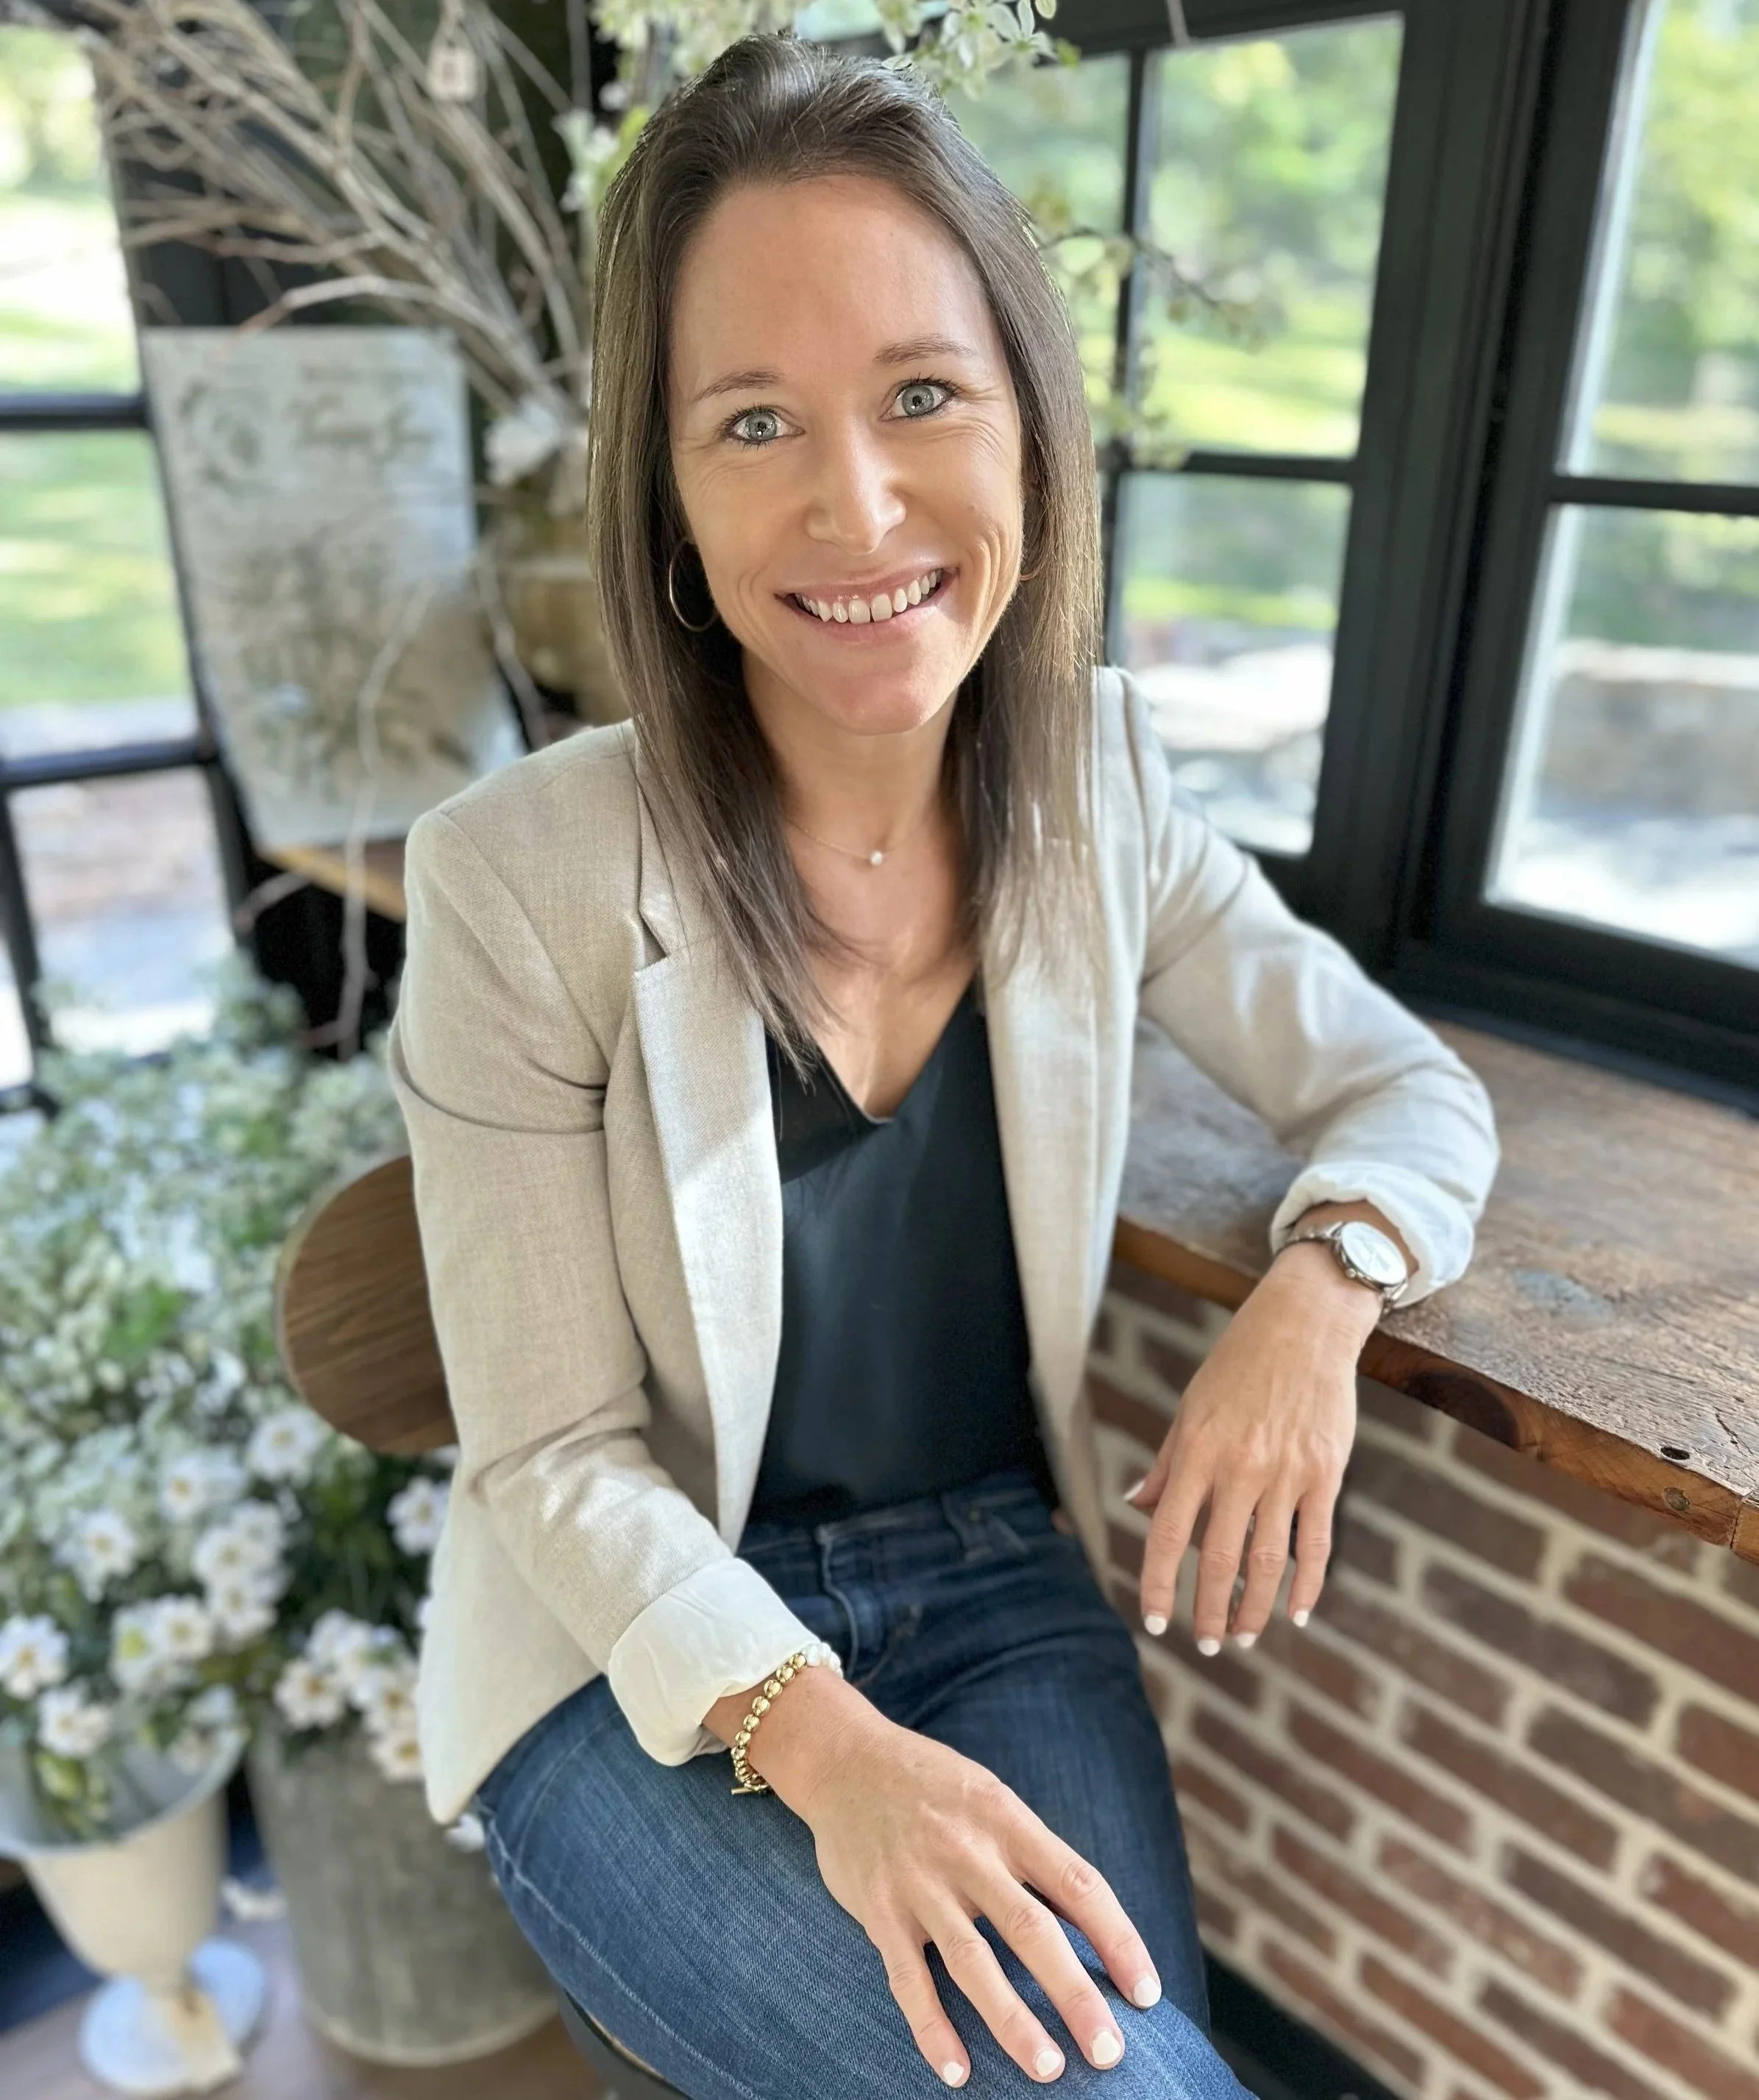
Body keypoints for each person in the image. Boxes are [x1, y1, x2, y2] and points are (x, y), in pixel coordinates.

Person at [385, 32, 1499, 2097]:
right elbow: (551, 1461)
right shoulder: (518, 877)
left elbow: (1406, 1090)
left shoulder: (1097, 782)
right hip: (636, 1650)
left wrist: (1319, 1289)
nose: (860, 502)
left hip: (997, 1578)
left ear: (1032, 432)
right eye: (754, 422)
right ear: (667, 498)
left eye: (922, 394)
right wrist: (830, 1753)